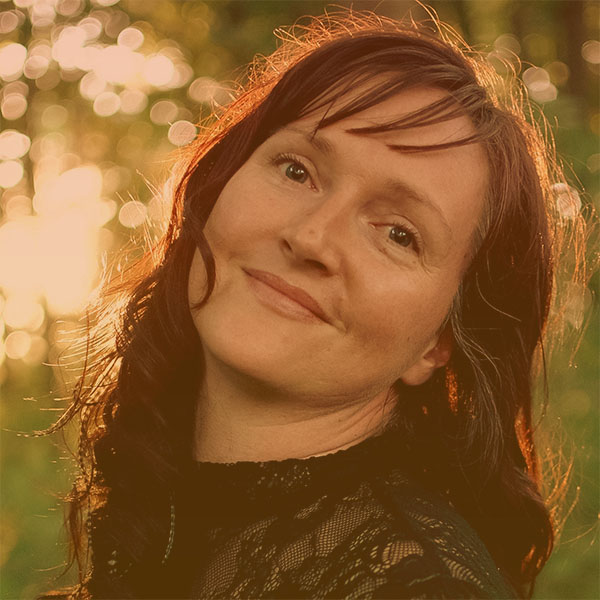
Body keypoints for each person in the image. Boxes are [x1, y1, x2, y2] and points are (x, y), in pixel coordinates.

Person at [45, 9, 590, 600]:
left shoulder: (419, 586)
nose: (311, 238)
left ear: (438, 344)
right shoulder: (163, 494)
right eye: (297, 170)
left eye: (398, 234)